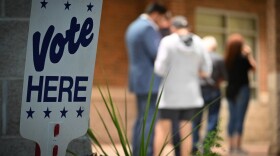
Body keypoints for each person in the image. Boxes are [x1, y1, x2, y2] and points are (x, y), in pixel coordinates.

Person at [153, 16, 212, 156]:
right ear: (188, 27)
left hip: (169, 96)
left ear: (173, 27)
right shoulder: (199, 42)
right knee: (187, 132)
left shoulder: (167, 41)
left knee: (163, 131)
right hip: (191, 96)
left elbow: (159, 68)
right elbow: (207, 70)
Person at [125, 3, 168, 156]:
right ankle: (146, 153)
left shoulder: (133, 26)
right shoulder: (148, 28)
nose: (162, 21)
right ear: (156, 14)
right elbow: (157, 53)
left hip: (138, 80)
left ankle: (137, 152)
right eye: (162, 17)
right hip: (150, 82)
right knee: (149, 120)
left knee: (141, 120)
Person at [191, 36, 227, 154]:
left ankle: (195, 146)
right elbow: (225, 77)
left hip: (198, 91)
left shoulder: (197, 58)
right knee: (213, 118)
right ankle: (207, 146)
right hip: (213, 91)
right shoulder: (219, 59)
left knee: (196, 120)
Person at [224, 33, 256, 155]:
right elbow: (254, 68)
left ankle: (231, 146)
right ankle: (238, 147)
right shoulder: (244, 59)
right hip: (242, 89)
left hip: (230, 90)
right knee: (240, 118)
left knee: (232, 118)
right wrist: (249, 55)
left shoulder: (226, 59)